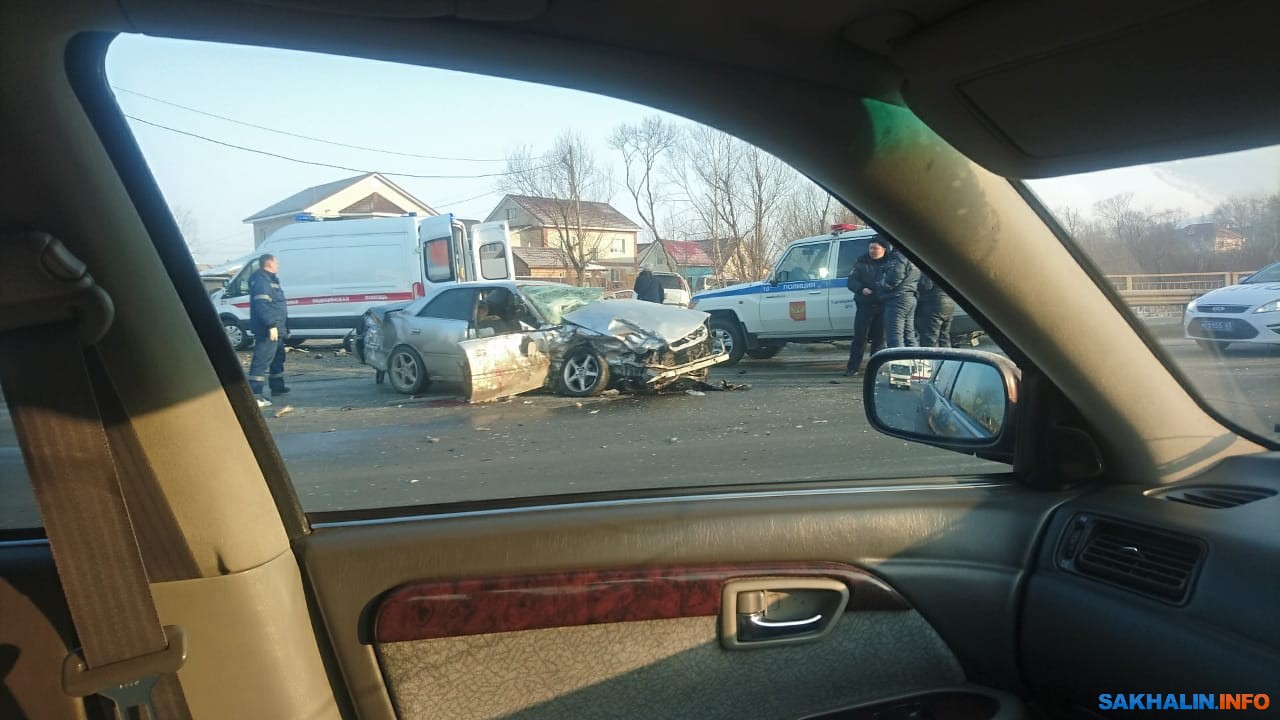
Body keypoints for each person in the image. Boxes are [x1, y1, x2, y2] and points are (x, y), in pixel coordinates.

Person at [247, 253, 289, 407]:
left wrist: (284, 328)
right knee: (262, 360)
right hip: (267, 329)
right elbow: (262, 305)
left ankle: (277, 387)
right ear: (269, 264)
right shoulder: (261, 280)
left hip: (277, 328)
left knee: (278, 358)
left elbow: (278, 306)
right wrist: (270, 325)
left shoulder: (271, 279)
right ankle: (255, 395)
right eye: (276, 263)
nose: (278, 265)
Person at [844, 238, 889, 375]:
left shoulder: (890, 263)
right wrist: (861, 289)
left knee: (879, 339)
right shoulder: (860, 263)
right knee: (859, 338)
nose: (872, 251)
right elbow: (851, 282)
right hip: (865, 305)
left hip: (883, 306)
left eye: (876, 248)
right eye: (871, 248)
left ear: (884, 249)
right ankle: (853, 368)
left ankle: (876, 370)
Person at [878, 243, 921, 348]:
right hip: (910, 297)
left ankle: (900, 363)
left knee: (895, 338)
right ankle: (917, 361)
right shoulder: (915, 255)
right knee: (909, 336)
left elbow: (894, 278)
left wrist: (879, 284)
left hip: (897, 299)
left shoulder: (898, 256)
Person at [915, 274, 955, 347]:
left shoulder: (930, 268)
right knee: (944, 337)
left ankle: (931, 357)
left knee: (930, 337)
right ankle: (947, 356)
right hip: (949, 303)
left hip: (935, 303)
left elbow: (926, 286)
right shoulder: (945, 269)